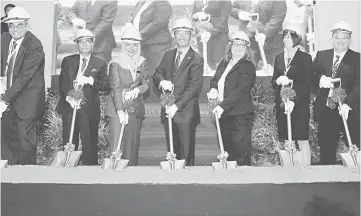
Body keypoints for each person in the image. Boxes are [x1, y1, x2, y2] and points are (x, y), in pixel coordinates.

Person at [153, 18, 203, 166]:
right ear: (174, 35)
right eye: (178, 33)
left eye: (185, 33)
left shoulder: (197, 59)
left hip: (185, 113)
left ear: (190, 35)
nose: (181, 36)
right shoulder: (168, 55)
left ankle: (188, 184)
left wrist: (177, 106)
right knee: (172, 151)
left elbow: (193, 86)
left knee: (186, 155)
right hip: (168, 111)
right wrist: (162, 81)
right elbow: (157, 73)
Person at [56, 29, 110, 165]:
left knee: (90, 143)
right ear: (76, 45)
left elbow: (105, 86)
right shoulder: (68, 60)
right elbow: (63, 83)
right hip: (70, 107)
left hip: (90, 110)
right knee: (69, 142)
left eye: (88, 41)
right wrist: (69, 96)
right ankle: (68, 171)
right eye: (81, 42)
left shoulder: (100, 63)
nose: (84, 44)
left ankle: (89, 172)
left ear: (93, 44)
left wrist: (91, 81)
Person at [0, 7, 45, 165]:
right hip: (7, 97)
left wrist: (4, 100)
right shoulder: (4, 39)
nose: (14, 29)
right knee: (7, 139)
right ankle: (9, 175)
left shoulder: (34, 45)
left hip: (26, 100)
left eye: (19, 25)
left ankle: (27, 177)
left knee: (26, 142)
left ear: (27, 25)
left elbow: (24, 77)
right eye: (11, 25)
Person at [312, 21, 360, 165]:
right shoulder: (322, 55)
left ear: (350, 40)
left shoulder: (357, 58)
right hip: (327, 108)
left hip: (349, 111)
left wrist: (348, 105)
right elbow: (312, 74)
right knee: (326, 146)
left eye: (344, 38)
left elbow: (359, 85)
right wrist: (320, 79)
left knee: (356, 143)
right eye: (337, 37)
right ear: (332, 38)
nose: (340, 41)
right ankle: (328, 180)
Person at [207, 31, 256, 166]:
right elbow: (215, 80)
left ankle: (244, 183)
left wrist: (222, 106)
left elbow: (241, 90)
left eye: (242, 45)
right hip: (225, 114)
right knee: (227, 150)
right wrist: (213, 88)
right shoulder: (224, 63)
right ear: (230, 47)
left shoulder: (248, 66)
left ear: (247, 49)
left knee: (241, 152)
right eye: (235, 44)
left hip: (240, 115)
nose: (238, 48)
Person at [106, 23, 150, 166]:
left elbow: (145, 83)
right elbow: (115, 88)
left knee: (131, 147)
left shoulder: (142, 62)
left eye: (135, 45)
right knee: (116, 148)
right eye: (128, 45)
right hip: (116, 110)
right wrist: (120, 110)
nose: (131, 49)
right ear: (123, 45)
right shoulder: (115, 63)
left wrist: (137, 91)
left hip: (135, 110)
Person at [271, 24, 313, 166]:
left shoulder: (305, 58)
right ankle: (289, 170)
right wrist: (278, 80)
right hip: (283, 104)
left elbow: (306, 83)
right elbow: (273, 80)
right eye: (284, 36)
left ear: (297, 38)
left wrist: (294, 99)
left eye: (289, 36)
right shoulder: (278, 58)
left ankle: (306, 171)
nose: (285, 39)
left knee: (301, 137)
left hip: (299, 105)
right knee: (287, 139)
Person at [230, 0, 287, 67]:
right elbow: (231, 8)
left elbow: (277, 18)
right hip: (247, 42)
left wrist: (264, 33)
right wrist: (240, 13)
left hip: (271, 44)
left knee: (271, 73)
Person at [129, 0, 172, 76]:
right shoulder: (141, 2)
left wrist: (137, 36)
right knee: (142, 75)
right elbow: (133, 18)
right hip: (142, 45)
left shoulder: (163, 4)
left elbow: (156, 24)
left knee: (155, 75)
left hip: (157, 47)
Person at [192, 0, 232, 71]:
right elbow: (193, 17)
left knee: (218, 70)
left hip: (218, 39)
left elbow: (223, 22)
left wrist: (211, 32)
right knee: (204, 68)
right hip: (202, 38)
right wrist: (195, 16)